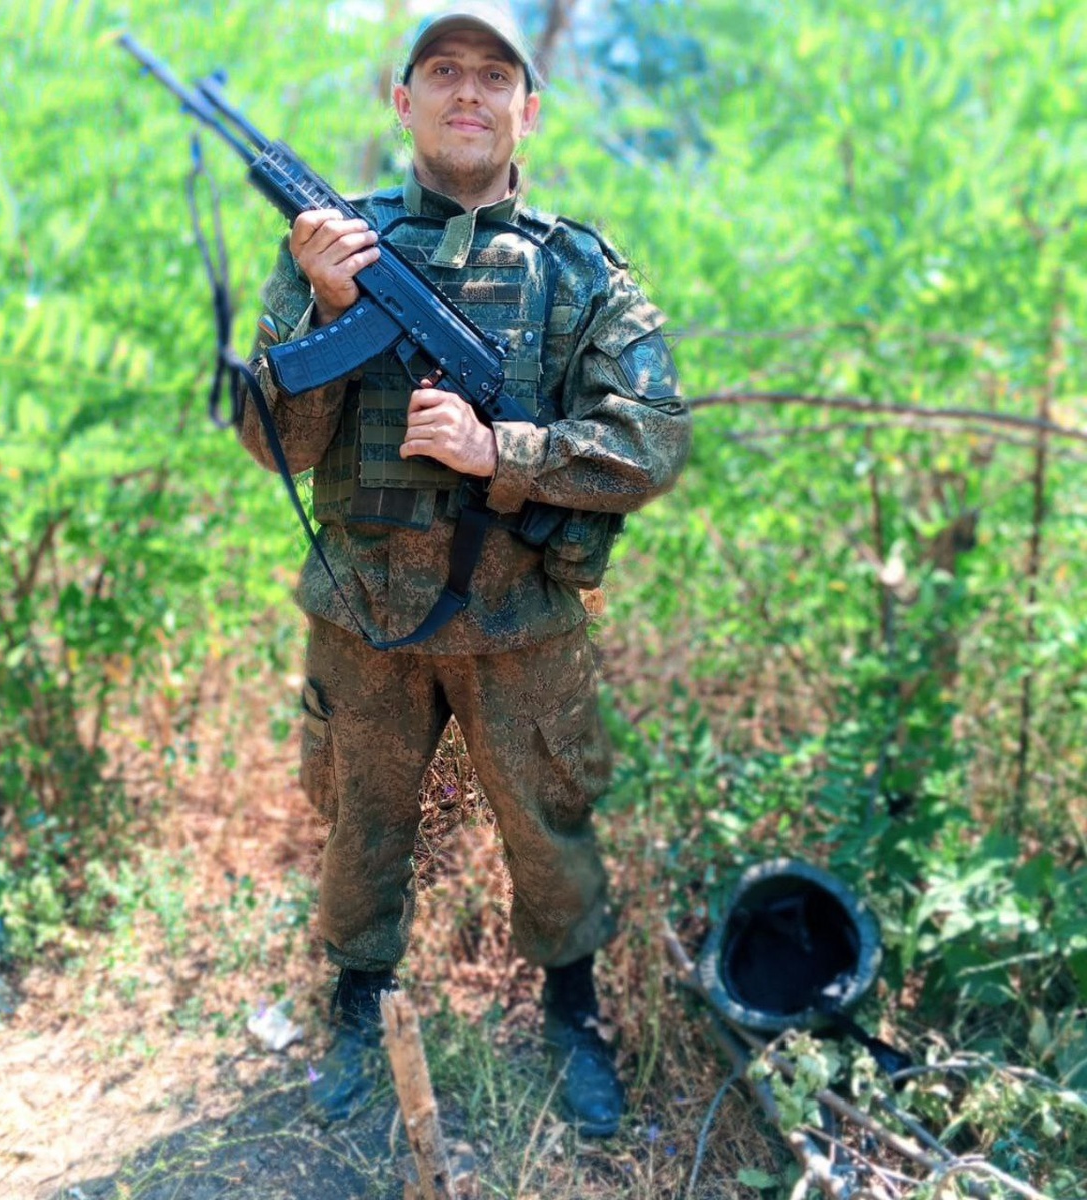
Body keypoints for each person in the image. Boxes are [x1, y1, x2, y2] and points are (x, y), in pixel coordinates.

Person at [238, 1, 691, 1137]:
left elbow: (654, 440)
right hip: (364, 614)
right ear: (405, 102)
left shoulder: (578, 270)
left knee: (550, 830)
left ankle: (573, 1015)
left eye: (495, 76)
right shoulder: (331, 251)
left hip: (521, 621)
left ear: (528, 109)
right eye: (443, 71)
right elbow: (273, 445)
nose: (468, 93)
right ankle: (356, 1011)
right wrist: (328, 304)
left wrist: (505, 454)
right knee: (362, 826)